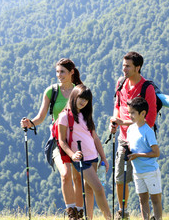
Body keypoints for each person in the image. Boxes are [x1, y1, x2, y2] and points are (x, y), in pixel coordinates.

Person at [20, 58, 84, 219]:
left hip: (76, 138)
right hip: (58, 138)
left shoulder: (80, 91)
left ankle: (79, 212)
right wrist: (30, 123)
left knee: (77, 176)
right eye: (57, 72)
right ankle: (71, 213)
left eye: (62, 72)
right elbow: (41, 117)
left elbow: (85, 117)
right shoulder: (51, 91)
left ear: (71, 73)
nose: (59, 75)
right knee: (65, 174)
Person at [110, 51, 157, 219]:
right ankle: (123, 212)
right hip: (124, 139)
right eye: (123, 65)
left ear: (138, 68)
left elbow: (149, 120)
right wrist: (115, 120)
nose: (124, 69)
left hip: (141, 141)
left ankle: (149, 216)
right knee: (120, 179)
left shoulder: (147, 88)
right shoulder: (121, 83)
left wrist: (124, 122)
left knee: (144, 179)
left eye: (128, 66)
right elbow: (118, 105)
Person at [58, 84, 111, 220]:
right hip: (80, 159)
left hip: (93, 157)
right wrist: (73, 155)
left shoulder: (86, 115)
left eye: (86, 100)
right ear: (74, 96)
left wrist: (103, 158)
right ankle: (109, 218)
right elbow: (61, 141)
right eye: (81, 98)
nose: (83, 102)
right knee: (98, 188)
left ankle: (89, 218)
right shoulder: (64, 116)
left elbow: (95, 138)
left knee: (89, 190)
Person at [124, 97, 162, 220]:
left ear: (143, 113)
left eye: (133, 113)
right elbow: (133, 146)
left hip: (150, 171)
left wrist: (138, 155)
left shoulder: (148, 131)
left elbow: (156, 153)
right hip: (137, 171)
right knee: (142, 199)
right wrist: (128, 151)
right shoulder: (130, 129)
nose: (130, 115)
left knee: (155, 199)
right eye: (129, 112)